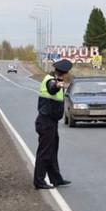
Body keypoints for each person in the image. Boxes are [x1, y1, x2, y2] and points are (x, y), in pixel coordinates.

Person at [33, 59, 73, 189]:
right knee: (44, 152)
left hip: (51, 122)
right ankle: (39, 181)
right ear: (63, 73)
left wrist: (58, 84)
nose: (67, 75)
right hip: (46, 122)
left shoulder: (56, 80)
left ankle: (56, 178)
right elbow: (52, 88)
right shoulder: (51, 81)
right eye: (67, 73)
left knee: (52, 150)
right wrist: (57, 86)